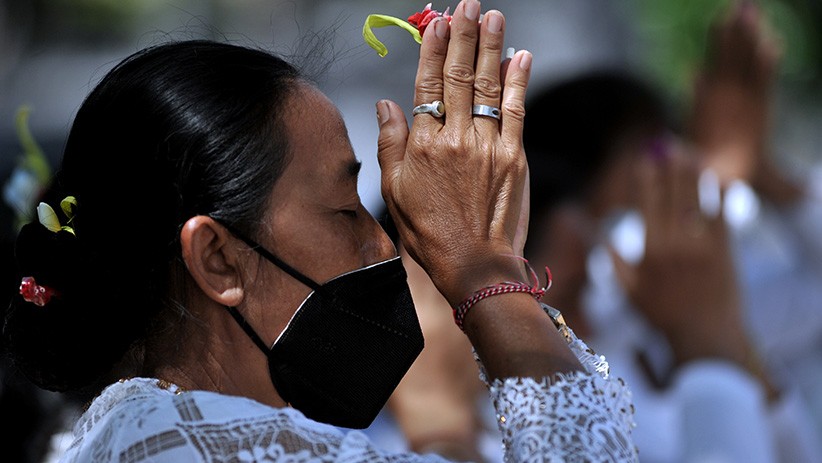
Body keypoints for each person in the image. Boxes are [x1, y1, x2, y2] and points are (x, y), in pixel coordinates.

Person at [1, 1, 638, 461]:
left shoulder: (148, 430)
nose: (385, 243)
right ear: (217, 259)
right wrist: (485, 270)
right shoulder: (188, 443)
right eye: (343, 210)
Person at [521, 2, 822, 461]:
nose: (675, 173)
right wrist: (720, 181)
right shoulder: (550, 395)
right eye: (657, 156)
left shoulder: (643, 317)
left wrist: (764, 175)